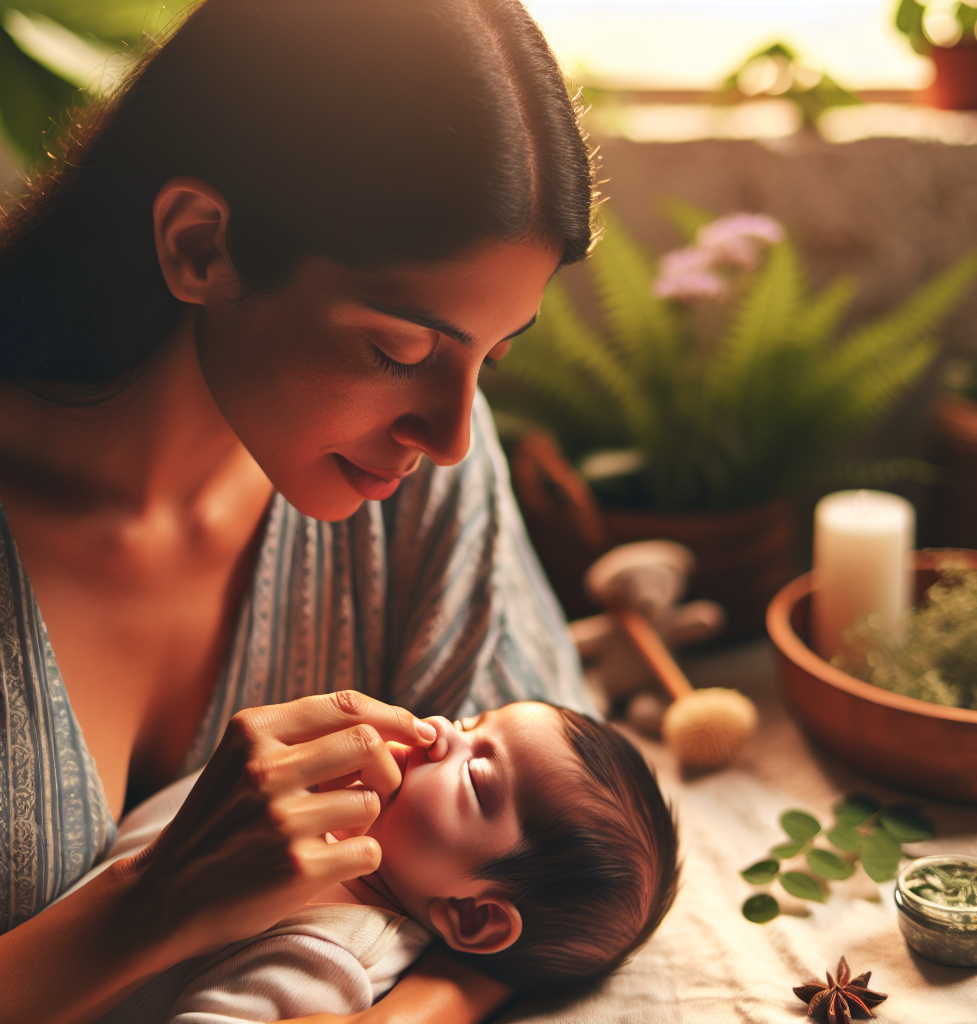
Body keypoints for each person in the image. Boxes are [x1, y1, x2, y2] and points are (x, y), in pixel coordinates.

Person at [0, 0, 602, 1021]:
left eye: (492, 358)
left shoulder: (424, 478)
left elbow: (567, 887)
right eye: (396, 351)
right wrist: (151, 902)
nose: (453, 433)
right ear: (201, 245)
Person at [63, 701, 677, 1023]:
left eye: (476, 772)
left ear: (474, 916)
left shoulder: (335, 950)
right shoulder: (318, 808)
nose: (438, 730)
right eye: (468, 720)